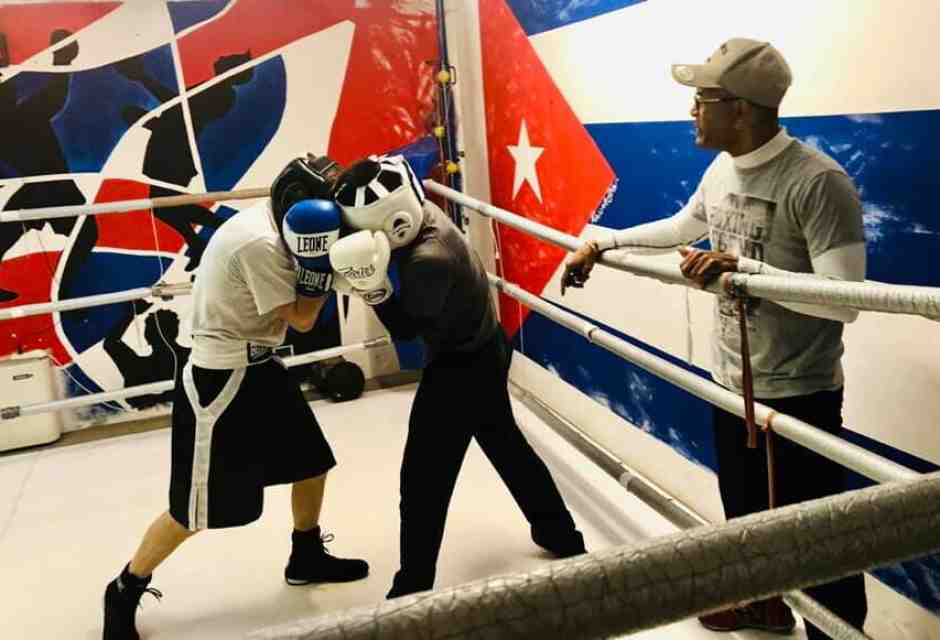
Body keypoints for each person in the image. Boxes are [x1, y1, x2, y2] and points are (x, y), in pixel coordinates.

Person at [562, 39, 867, 638]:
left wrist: (745, 273)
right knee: (745, 520)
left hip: (796, 394)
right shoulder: (724, 168)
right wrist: (603, 242)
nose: (692, 111)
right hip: (730, 383)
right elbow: (684, 226)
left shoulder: (818, 182)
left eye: (703, 99)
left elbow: (844, 301)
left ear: (742, 110)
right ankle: (764, 604)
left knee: (819, 542)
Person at [102, 155, 368, 640]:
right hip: (220, 379)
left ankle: (305, 555)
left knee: (312, 463)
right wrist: (323, 270)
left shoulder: (279, 223)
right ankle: (123, 588)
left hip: (261, 364)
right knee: (194, 509)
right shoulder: (260, 244)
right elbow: (303, 319)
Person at [329, 154, 587, 599]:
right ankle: (560, 535)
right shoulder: (423, 212)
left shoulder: (427, 261)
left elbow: (406, 334)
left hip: (459, 369)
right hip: (487, 346)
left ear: (395, 223)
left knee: (423, 481)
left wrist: (374, 289)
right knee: (507, 447)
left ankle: (412, 589)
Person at [103, 302, 190, 410]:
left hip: (151, 417)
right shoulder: (193, 356)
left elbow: (111, 343)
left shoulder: (136, 366)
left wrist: (131, 314)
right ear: (176, 332)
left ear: (147, 336)